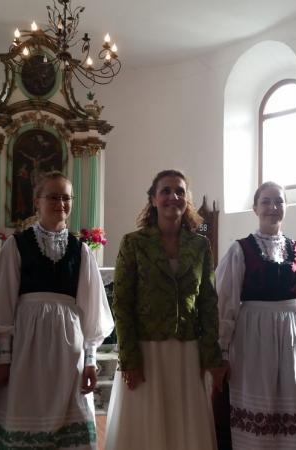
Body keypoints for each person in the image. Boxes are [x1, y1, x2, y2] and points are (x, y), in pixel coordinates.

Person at [0, 171, 114, 450]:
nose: (60, 203)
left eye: (66, 198)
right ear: (36, 201)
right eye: (53, 197)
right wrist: (3, 356)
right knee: (23, 409)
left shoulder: (81, 250)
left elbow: (92, 311)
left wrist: (89, 359)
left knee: (67, 418)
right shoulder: (17, 245)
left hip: (68, 351)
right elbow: (3, 303)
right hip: (25, 350)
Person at [104, 169, 226, 450]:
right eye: (166, 191)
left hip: (187, 351)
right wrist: (129, 358)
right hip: (146, 351)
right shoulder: (134, 243)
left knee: (185, 424)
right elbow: (122, 303)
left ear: (187, 199)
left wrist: (211, 356)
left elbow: (208, 302)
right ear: (153, 199)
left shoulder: (200, 245)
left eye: (180, 191)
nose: (173, 197)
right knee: (147, 424)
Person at [215, 181, 296, 450]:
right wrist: (221, 349)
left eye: (279, 201)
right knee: (261, 399)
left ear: (286, 207)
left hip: (294, 336)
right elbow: (225, 301)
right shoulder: (239, 250)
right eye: (266, 201)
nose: (273, 207)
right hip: (253, 336)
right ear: (255, 208)